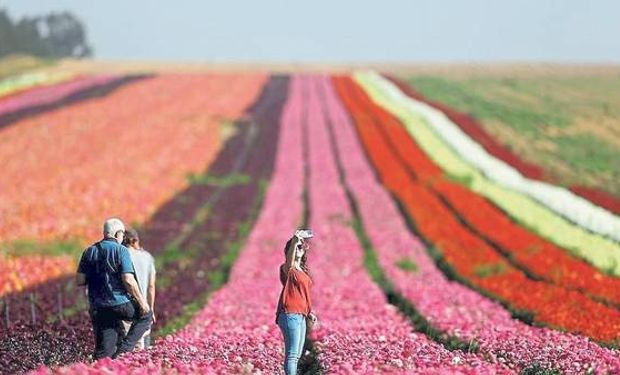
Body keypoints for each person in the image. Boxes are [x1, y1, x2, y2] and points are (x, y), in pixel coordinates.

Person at [76, 218, 153, 359]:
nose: (123, 238)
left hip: (99, 307)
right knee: (146, 315)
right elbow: (128, 280)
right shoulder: (121, 250)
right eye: (122, 234)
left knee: (104, 352)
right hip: (119, 303)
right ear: (117, 233)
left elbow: (80, 280)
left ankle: (101, 366)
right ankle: (124, 351)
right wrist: (143, 303)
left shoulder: (89, 251)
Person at [275, 229, 318, 375]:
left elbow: (304, 294)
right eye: (297, 247)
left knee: (297, 355)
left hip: (301, 315)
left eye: (301, 247)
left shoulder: (301, 271)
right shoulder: (288, 269)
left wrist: (309, 312)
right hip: (289, 314)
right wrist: (295, 240)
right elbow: (290, 260)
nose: (300, 248)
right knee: (292, 356)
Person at [122, 228, 156, 349]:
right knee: (139, 346)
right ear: (134, 240)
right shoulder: (147, 257)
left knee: (123, 344)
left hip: (124, 304)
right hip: (142, 307)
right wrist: (150, 309)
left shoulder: (120, 254)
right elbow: (151, 286)